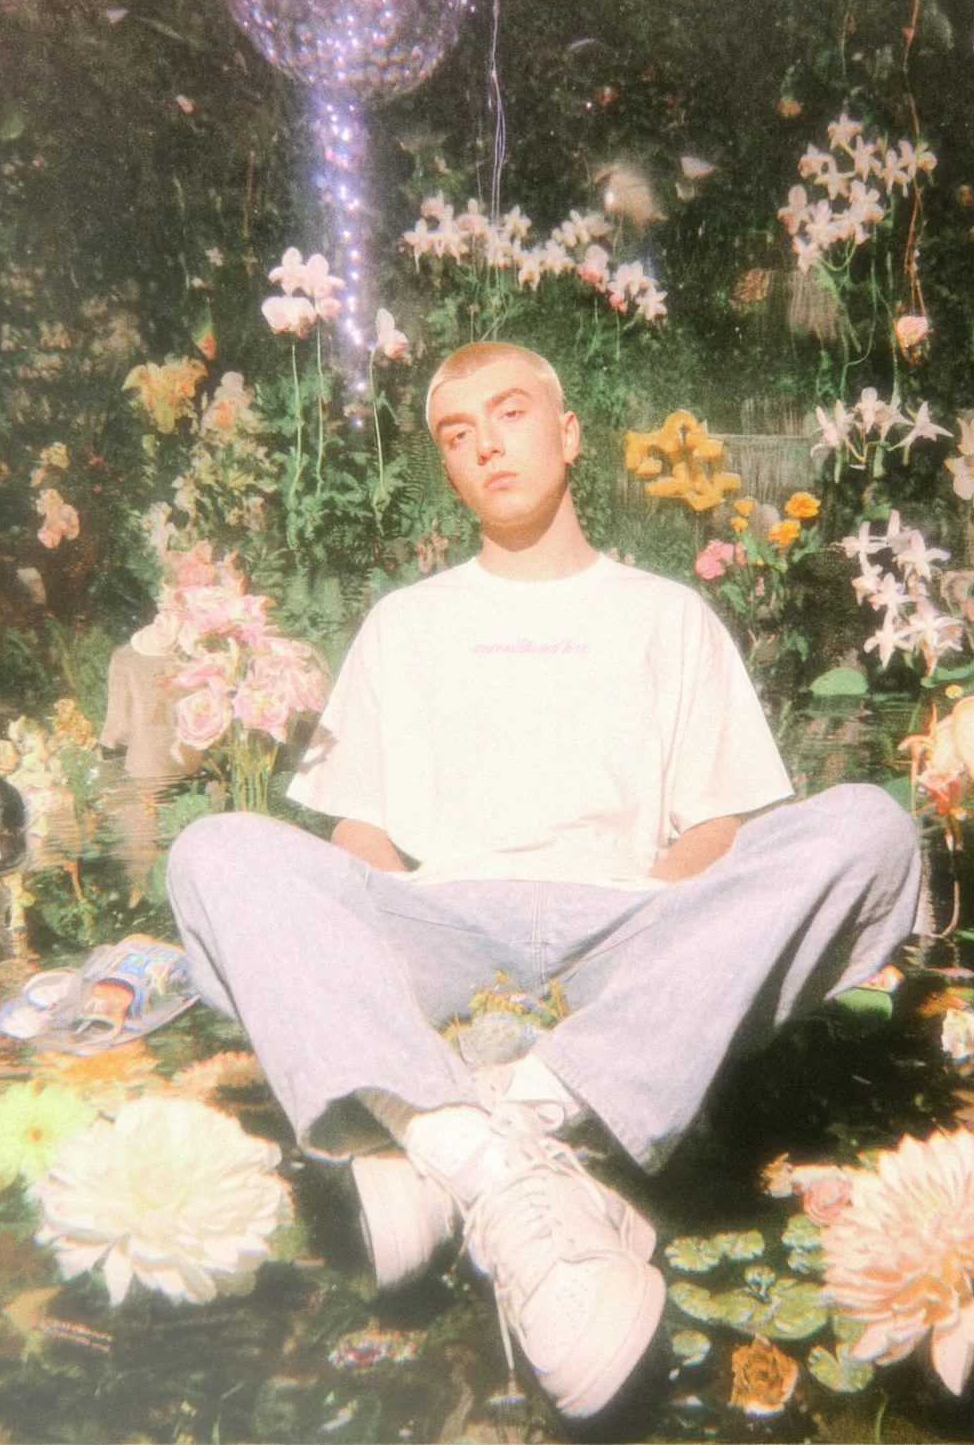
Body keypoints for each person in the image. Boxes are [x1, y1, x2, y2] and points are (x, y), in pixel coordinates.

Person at [167, 342, 920, 1422]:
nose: (485, 444)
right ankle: (479, 1142)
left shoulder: (664, 614)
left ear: (566, 436)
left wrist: (661, 938)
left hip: (629, 936)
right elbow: (360, 831)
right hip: (440, 925)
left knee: (870, 829)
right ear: (447, 466)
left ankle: (486, 1120)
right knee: (214, 851)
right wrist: (378, 956)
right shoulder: (406, 623)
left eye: (509, 413)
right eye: (456, 433)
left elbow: (716, 825)